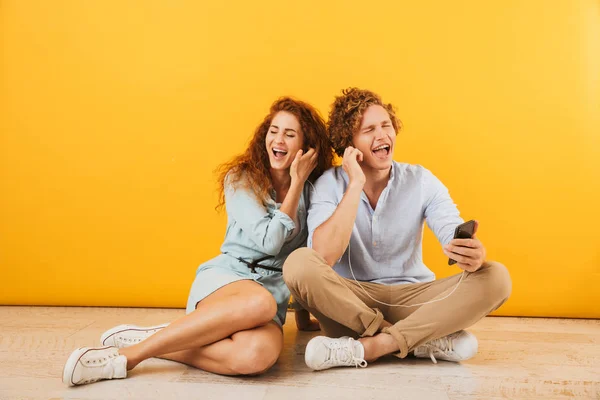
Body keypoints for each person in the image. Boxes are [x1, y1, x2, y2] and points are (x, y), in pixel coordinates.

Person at [62, 97, 333, 386]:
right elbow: (270, 242)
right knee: (262, 303)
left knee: (256, 357)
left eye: (289, 134)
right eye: (273, 130)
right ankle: (129, 357)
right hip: (228, 279)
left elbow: (305, 253)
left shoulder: (314, 191)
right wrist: (296, 185)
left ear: (307, 148)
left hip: (270, 296)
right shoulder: (242, 179)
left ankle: (163, 339)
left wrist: (302, 319)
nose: (278, 139)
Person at [283, 88, 512, 371]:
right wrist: (354, 185)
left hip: (413, 297)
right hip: (350, 302)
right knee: (298, 263)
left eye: (386, 126)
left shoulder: (420, 180)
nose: (382, 135)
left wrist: (469, 253)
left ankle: (373, 346)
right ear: (348, 144)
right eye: (369, 130)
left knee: (497, 277)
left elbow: (450, 227)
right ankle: (415, 340)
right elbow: (323, 255)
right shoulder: (330, 183)